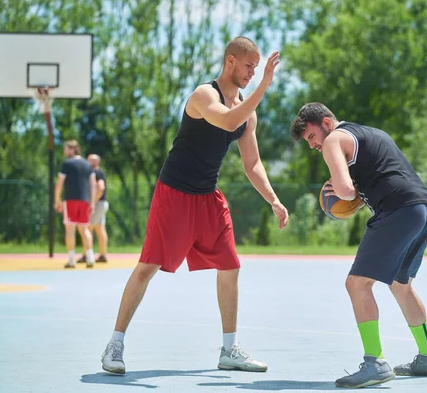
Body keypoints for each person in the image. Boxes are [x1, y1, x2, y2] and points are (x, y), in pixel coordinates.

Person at [101, 36, 289, 375]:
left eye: (257, 68)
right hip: (174, 192)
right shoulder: (204, 95)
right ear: (231, 61)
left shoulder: (249, 112)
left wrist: (273, 199)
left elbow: (253, 164)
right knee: (148, 266)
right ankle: (115, 344)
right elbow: (229, 121)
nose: (252, 72)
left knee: (230, 266)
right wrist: (265, 86)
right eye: (249, 66)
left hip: (208, 197)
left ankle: (229, 349)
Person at [290, 103, 427, 388]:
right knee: (401, 285)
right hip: (424, 210)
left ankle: (375, 362)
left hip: (397, 211)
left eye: (312, 136)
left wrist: (336, 192)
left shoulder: (334, 140)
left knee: (357, 284)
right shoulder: (372, 132)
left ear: (326, 122)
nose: (312, 144)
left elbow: (346, 191)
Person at [54, 140, 97, 269]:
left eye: (66, 149)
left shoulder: (66, 164)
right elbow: (93, 184)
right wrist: (92, 202)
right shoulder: (87, 164)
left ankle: (72, 260)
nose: (64, 151)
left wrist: (57, 200)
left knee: (70, 229)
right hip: (85, 200)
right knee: (84, 229)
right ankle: (90, 258)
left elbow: (60, 183)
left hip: (70, 199)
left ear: (73, 149)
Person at [77, 154, 109, 264]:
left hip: (98, 203)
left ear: (97, 162)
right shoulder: (96, 172)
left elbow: (100, 187)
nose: (91, 162)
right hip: (102, 203)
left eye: (93, 160)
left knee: (86, 228)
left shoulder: (96, 173)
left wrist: (93, 202)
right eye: (89, 160)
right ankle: (103, 254)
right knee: (100, 229)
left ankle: (87, 255)